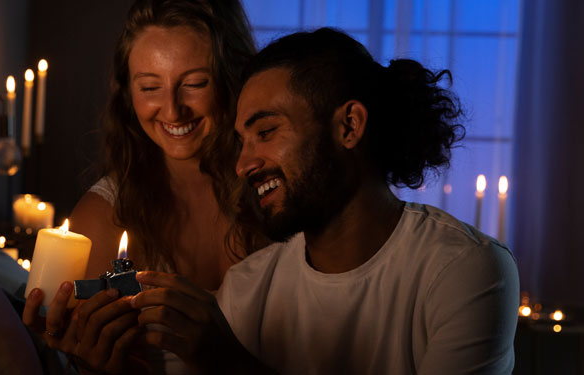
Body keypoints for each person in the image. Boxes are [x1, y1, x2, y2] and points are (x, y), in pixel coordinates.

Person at [129, 27, 520, 374]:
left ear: (349, 126)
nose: (244, 165)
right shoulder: (247, 287)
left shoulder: (462, 268)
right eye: (241, 142)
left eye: (265, 131)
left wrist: (231, 365)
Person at [22, 0, 262, 373]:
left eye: (195, 83)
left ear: (233, 76)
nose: (172, 109)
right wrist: (92, 364)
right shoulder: (104, 216)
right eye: (150, 87)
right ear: (127, 93)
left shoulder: (277, 195)